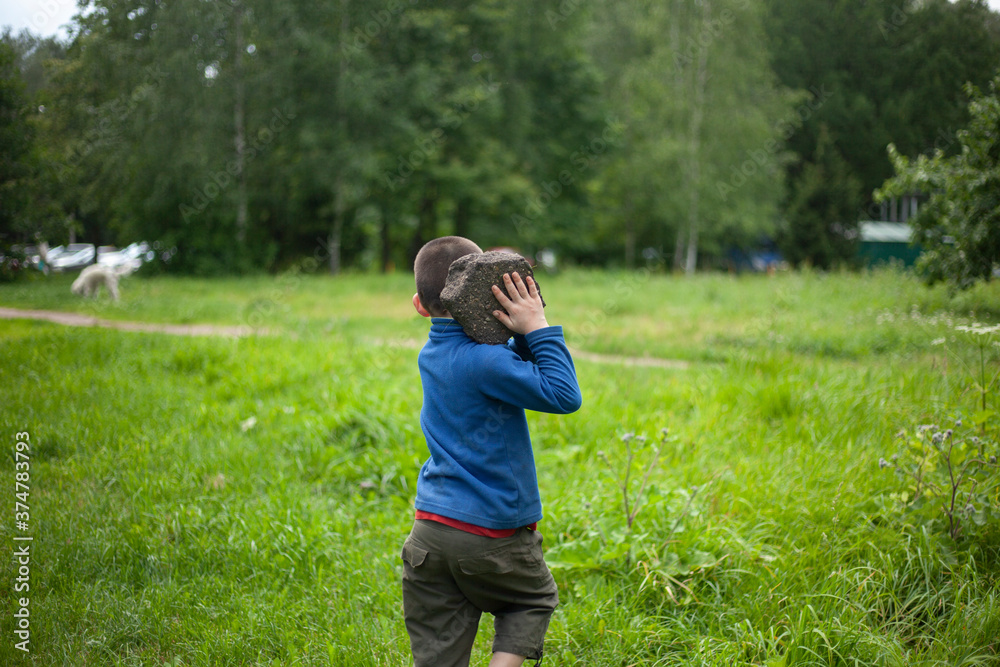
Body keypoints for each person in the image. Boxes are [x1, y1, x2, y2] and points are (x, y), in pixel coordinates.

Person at [402, 236, 583, 667]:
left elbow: (499, 360)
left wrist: (514, 335)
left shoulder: (434, 353)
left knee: (439, 652)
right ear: (484, 289)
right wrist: (536, 325)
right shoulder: (486, 362)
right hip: (489, 535)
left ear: (419, 306)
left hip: (429, 534)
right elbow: (564, 394)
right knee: (530, 602)